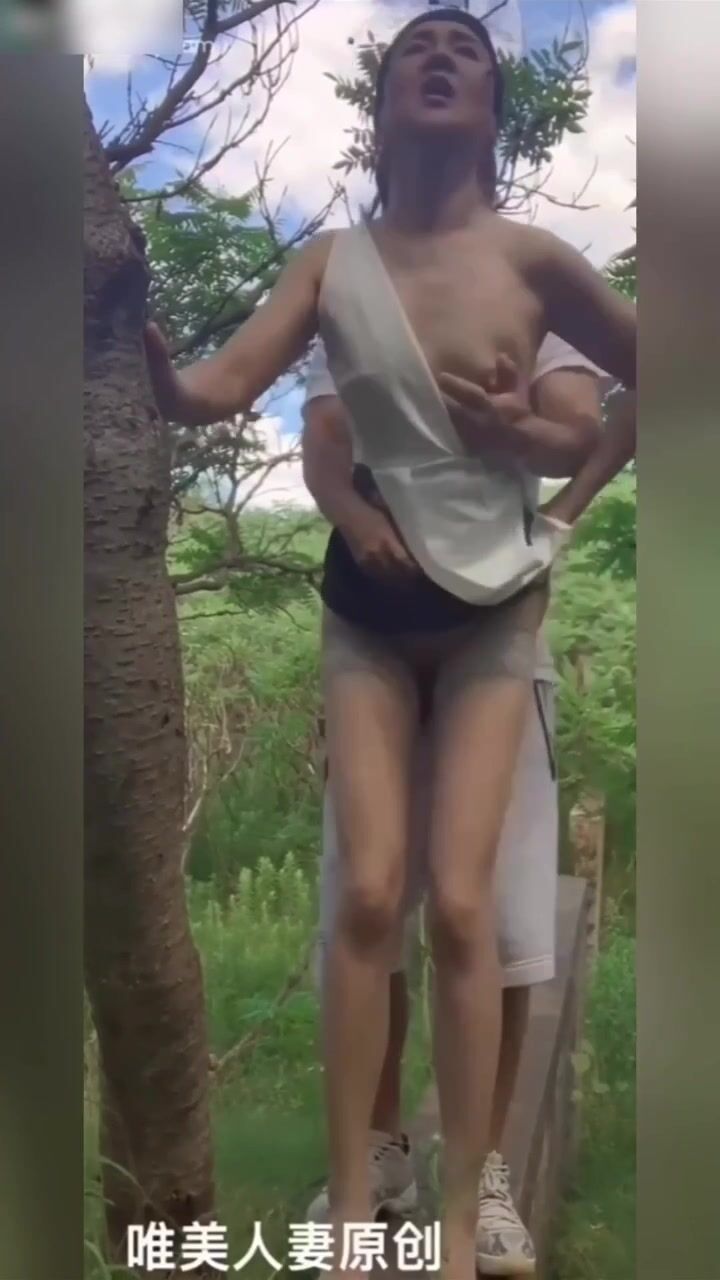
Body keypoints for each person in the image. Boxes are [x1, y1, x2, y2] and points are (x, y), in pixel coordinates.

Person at [144, 11, 635, 1272]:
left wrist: (545, 461)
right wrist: (152, 367)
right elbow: (220, 388)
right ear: (381, 106)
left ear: (492, 109)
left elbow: (634, 390)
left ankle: (464, 1224)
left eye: (467, 48)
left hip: (492, 610)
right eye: (418, 45)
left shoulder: (536, 261)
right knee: (368, 892)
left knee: (466, 905)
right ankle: (359, 1208)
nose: (440, 55)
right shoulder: (330, 264)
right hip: (366, 613)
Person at [304, 334, 604, 1276]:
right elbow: (325, 442)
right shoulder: (354, 298)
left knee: (493, 922)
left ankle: (486, 1177)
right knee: (369, 902)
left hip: (500, 643)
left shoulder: (539, 302)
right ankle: (378, 1154)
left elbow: (616, 407)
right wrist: (354, 515)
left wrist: (557, 521)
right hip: (374, 641)